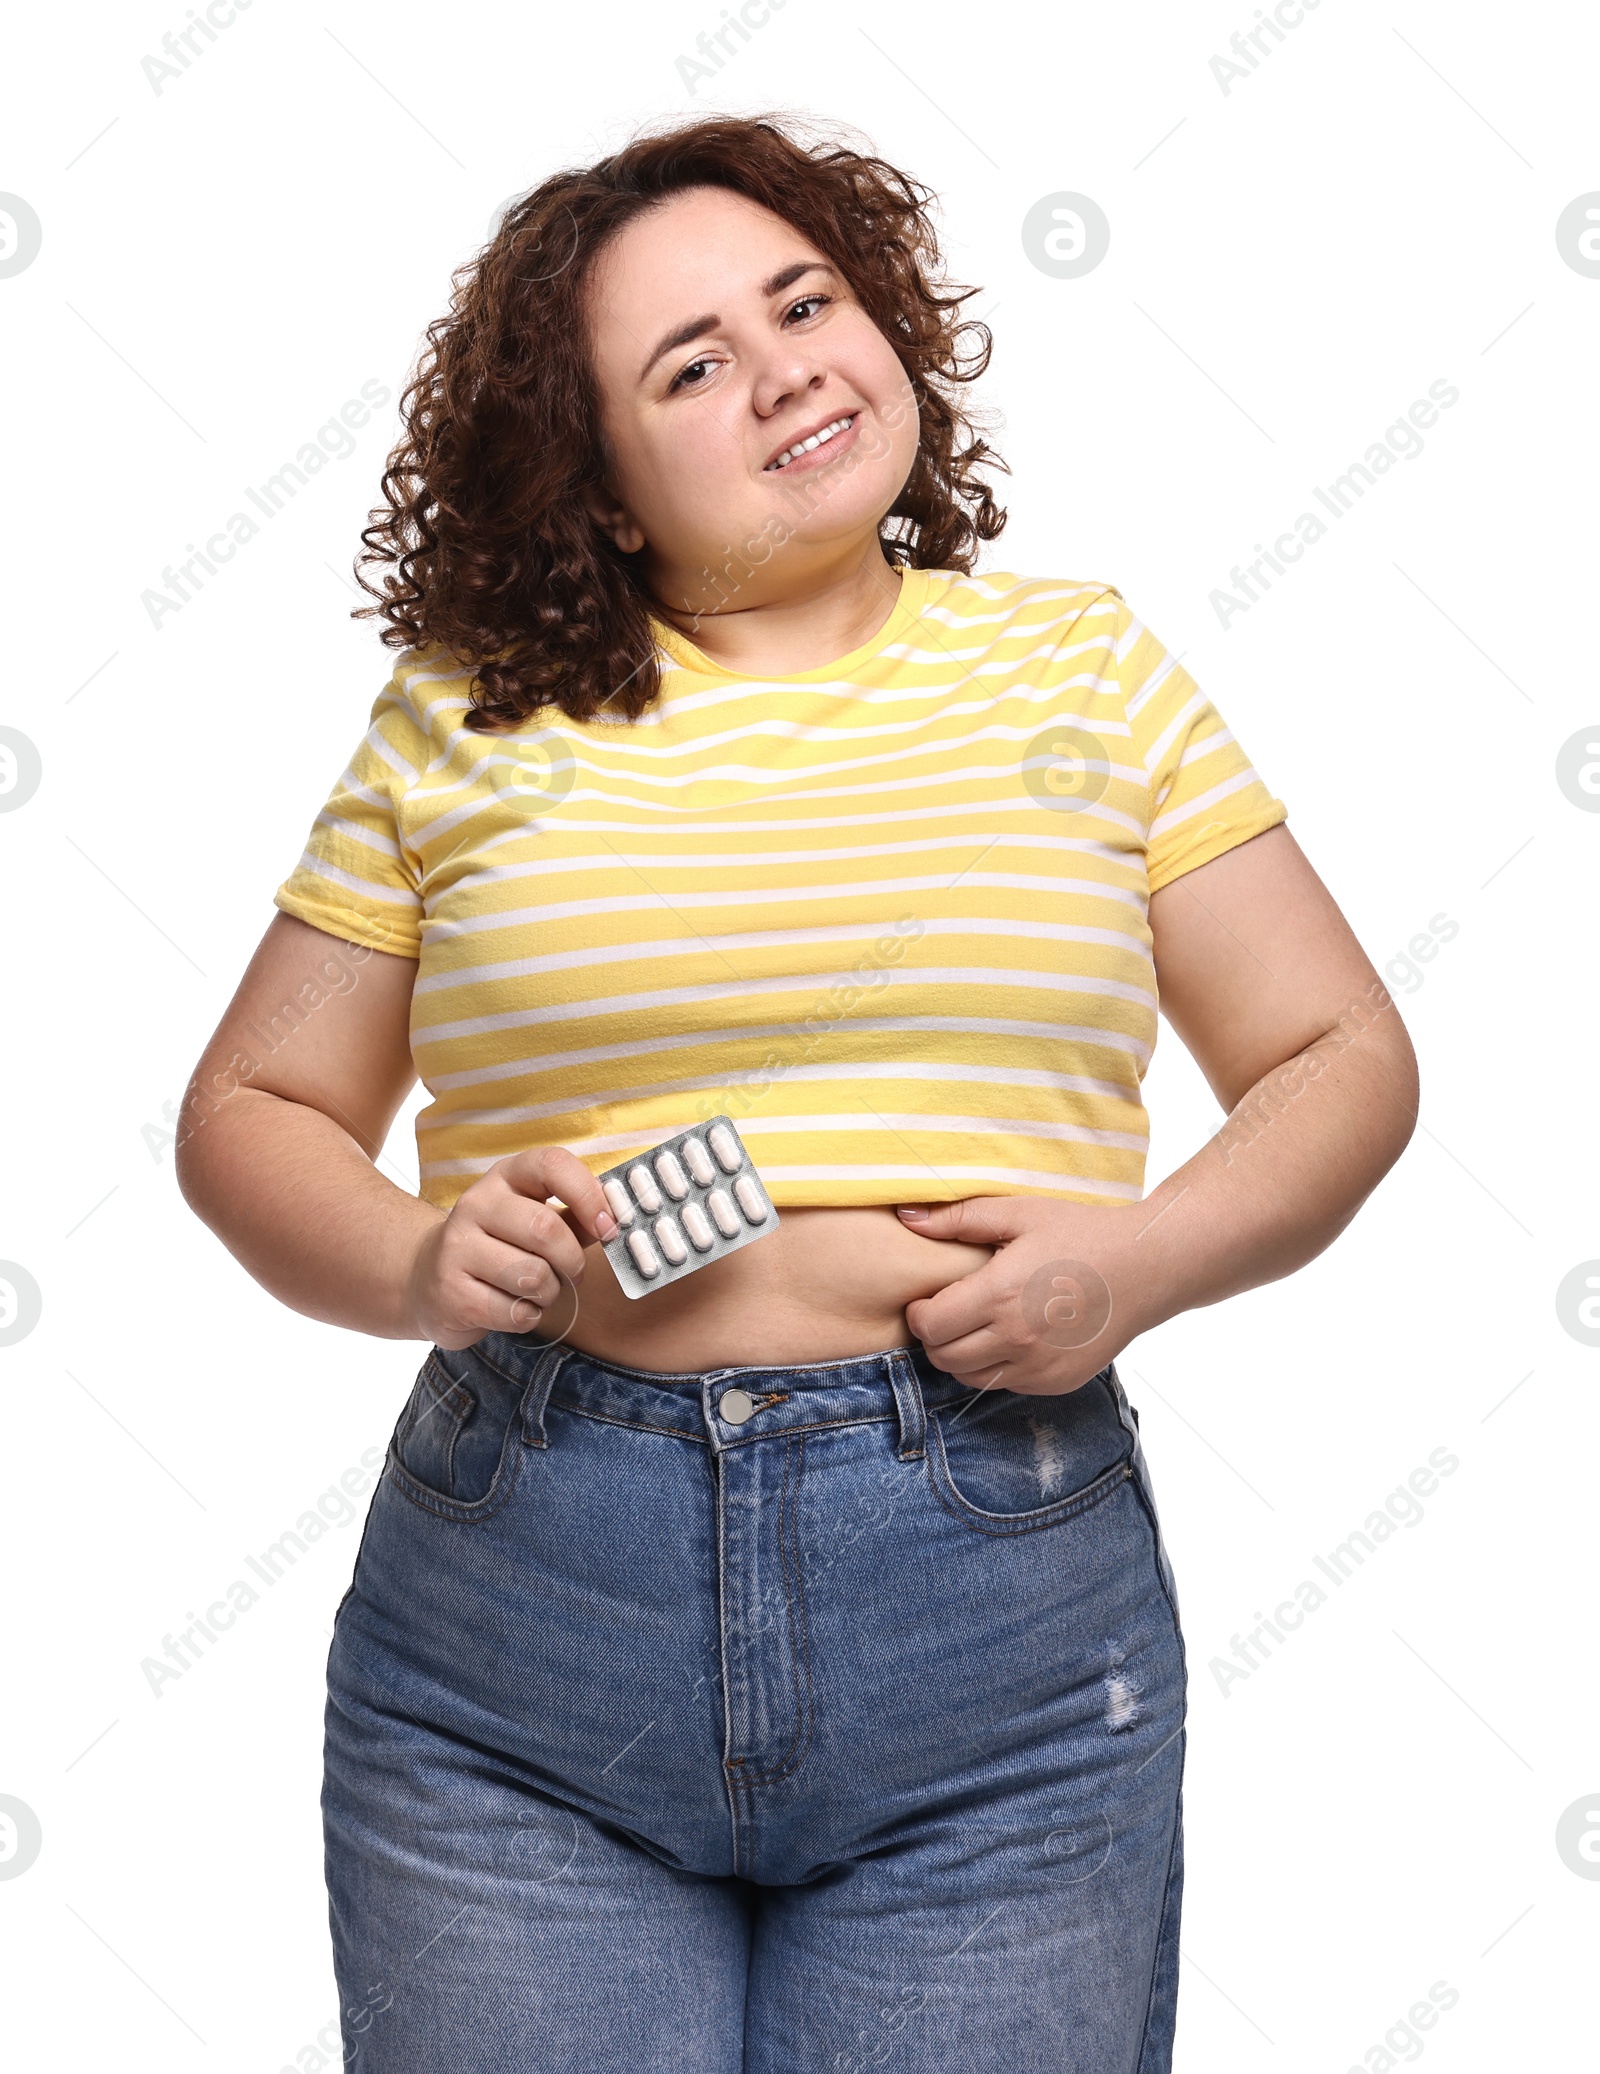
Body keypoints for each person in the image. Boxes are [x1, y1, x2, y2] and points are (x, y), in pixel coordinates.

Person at [176, 111, 1417, 2073]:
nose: (784, 372)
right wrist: (422, 1256)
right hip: (517, 1623)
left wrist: (1147, 1255)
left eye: (804, 302)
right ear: (589, 479)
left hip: (988, 1605)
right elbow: (253, 1103)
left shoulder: (1080, 671)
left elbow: (1338, 1053)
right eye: (690, 366)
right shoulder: (466, 714)